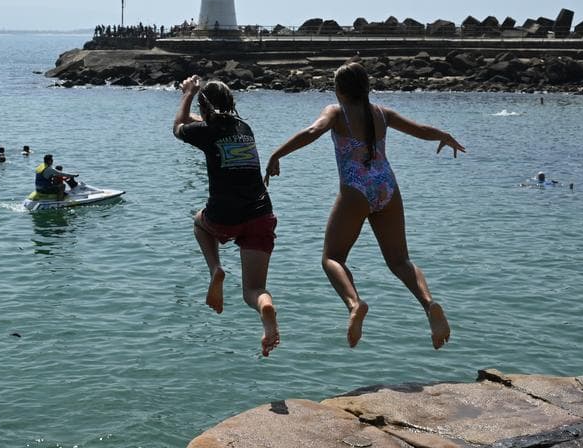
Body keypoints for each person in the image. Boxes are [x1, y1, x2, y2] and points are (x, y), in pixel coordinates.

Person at [265, 62, 464, 350]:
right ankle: (429, 304)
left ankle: (354, 304)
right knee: (400, 261)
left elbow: (312, 131)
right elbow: (419, 129)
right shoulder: (381, 113)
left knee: (332, 258)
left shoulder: (336, 112)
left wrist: (277, 153)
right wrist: (443, 135)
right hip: (387, 187)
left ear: (339, 90)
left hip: (356, 190)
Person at [173, 75, 281, 357]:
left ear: (205, 108)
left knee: (200, 222)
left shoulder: (207, 133)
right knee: (254, 289)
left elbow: (179, 126)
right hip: (262, 213)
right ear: (232, 104)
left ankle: (215, 270)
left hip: (225, 214)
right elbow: (204, 123)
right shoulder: (245, 128)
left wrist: (187, 93)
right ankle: (265, 308)